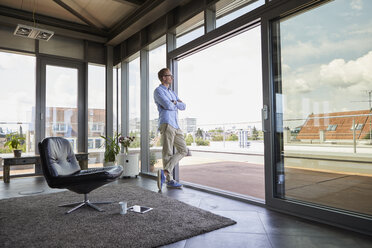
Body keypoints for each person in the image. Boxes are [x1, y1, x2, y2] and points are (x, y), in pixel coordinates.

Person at [154, 68, 188, 191]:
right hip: (167, 123)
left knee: (183, 150)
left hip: (176, 125)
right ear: (163, 77)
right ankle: (170, 181)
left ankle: (165, 172)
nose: (172, 78)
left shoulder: (171, 92)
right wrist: (174, 103)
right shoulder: (158, 91)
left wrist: (173, 102)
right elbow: (167, 105)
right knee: (167, 152)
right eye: (170, 76)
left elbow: (183, 106)